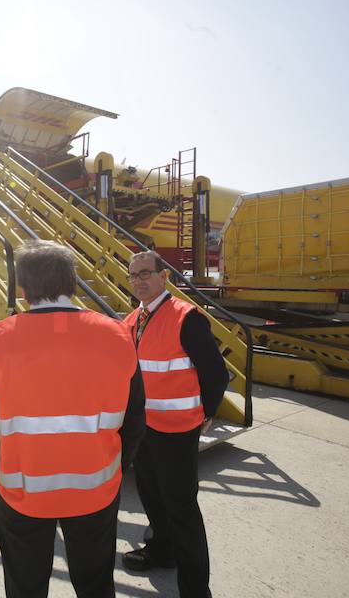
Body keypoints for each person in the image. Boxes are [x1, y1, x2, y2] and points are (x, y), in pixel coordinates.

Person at [0, 240, 146, 598]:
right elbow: (135, 418)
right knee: (95, 582)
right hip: (96, 488)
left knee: (25, 583)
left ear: (22, 288)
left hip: (23, 492)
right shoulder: (119, 335)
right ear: (73, 283)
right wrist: (118, 465)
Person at [121, 251, 228, 598]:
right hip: (144, 430)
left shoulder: (186, 318)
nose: (139, 280)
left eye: (145, 273)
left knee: (181, 508)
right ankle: (162, 551)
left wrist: (206, 413)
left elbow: (216, 373)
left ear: (164, 276)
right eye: (132, 275)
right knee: (151, 497)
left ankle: (196, 589)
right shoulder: (133, 320)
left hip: (176, 432)